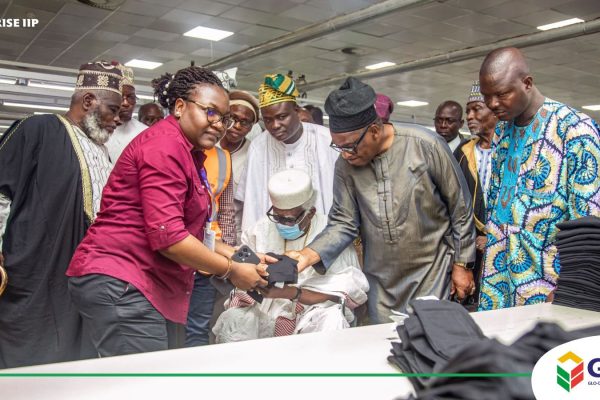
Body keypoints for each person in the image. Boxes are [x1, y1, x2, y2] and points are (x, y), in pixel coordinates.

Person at [66, 66, 270, 357]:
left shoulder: (188, 151)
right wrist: (232, 271)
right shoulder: (164, 146)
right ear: (179, 106)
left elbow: (187, 231)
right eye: (210, 112)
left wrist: (236, 254)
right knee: (141, 383)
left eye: (223, 118)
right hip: (123, 278)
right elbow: (170, 238)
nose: (220, 124)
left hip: (139, 281)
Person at [287, 77, 476, 324]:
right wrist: (306, 255)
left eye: (351, 146)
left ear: (375, 130)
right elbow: (343, 221)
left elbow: (459, 208)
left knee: (430, 342)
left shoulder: (425, 146)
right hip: (380, 283)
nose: (345, 153)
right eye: (338, 146)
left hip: (432, 273)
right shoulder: (345, 166)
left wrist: (462, 263)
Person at [0, 61, 123, 368]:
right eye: (113, 110)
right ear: (88, 101)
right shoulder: (38, 128)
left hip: (82, 273)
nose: (118, 120)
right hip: (36, 267)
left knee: (73, 357)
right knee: (30, 350)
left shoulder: (101, 148)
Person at [477, 47, 600, 310]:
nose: (492, 104)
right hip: (499, 280)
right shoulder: (501, 130)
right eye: (487, 96)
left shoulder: (575, 129)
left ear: (527, 83)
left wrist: (571, 285)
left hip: (549, 282)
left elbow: (590, 221)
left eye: (501, 94)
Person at [213, 169, 368, 342]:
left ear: (310, 213)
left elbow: (345, 291)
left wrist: (288, 293)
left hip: (312, 312)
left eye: (288, 220)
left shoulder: (331, 233)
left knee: (331, 319)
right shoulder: (259, 231)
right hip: (266, 311)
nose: (281, 224)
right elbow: (242, 277)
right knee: (234, 320)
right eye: (276, 216)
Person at [235, 73, 339, 233]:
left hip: (321, 237)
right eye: (268, 120)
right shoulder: (258, 146)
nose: (275, 125)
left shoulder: (326, 140)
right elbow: (252, 201)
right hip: (272, 239)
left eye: (282, 117)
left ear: (296, 111)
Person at [453, 81, 497, 307]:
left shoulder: (512, 148)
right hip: (470, 247)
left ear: (494, 109)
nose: (470, 116)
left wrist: (493, 235)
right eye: (467, 110)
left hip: (503, 246)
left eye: (476, 109)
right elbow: (454, 203)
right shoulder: (463, 151)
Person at [105, 64, 147, 163]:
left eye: (130, 97)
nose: (125, 103)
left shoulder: (144, 133)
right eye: (120, 97)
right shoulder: (98, 130)